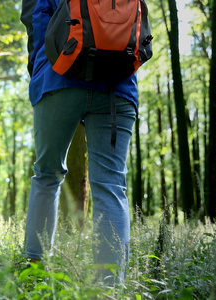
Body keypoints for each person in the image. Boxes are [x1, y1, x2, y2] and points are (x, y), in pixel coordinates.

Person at [20, 0, 139, 285]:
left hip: (58, 78)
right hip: (118, 86)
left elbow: (37, 23)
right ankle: (109, 287)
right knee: (111, 185)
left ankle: (34, 274)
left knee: (47, 176)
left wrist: (39, 75)